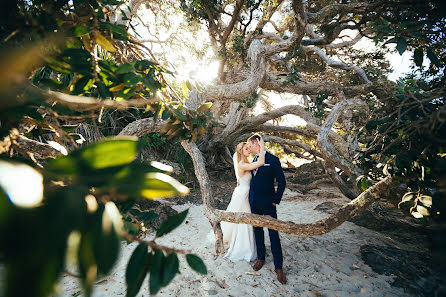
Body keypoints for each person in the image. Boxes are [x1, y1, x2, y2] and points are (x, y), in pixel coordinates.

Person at [210, 139, 265, 262]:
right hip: (243, 194)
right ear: (240, 151)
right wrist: (261, 146)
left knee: (243, 219)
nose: (249, 150)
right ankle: (244, 247)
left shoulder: (246, 161)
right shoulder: (242, 164)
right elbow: (261, 162)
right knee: (243, 220)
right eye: (246, 149)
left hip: (245, 192)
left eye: (249, 148)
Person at [247, 133, 287, 284]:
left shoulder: (273, 159)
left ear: (257, 143)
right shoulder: (254, 160)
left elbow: (282, 181)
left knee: (273, 233)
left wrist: (276, 200)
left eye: (250, 145)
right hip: (254, 202)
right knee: (257, 230)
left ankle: (279, 267)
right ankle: (261, 258)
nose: (249, 148)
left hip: (269, 202)